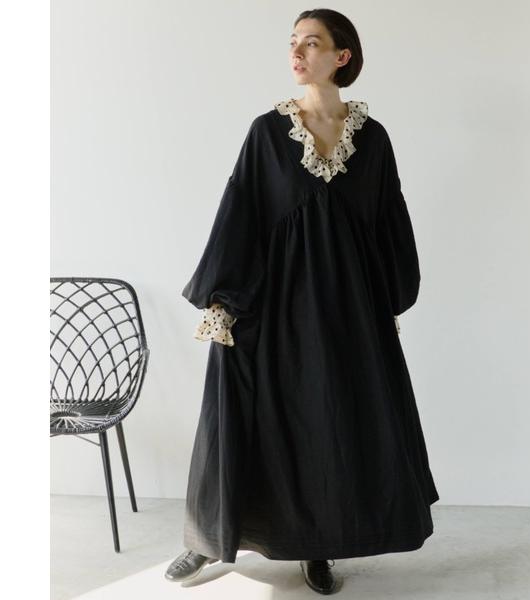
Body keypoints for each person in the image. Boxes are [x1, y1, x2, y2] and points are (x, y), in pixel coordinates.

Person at [165, 8, 439, 595]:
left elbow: (389, 220)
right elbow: (241, 211)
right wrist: (223, 300)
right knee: (236, 415)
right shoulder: (268, 132)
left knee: (328, 422)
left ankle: (318, 547)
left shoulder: (373, 139)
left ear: (342, 56)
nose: (296, 52)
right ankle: (206, 538)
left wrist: (388, 300)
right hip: (271, 304)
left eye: (311, 43)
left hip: (346, 310)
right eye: (293, 42)